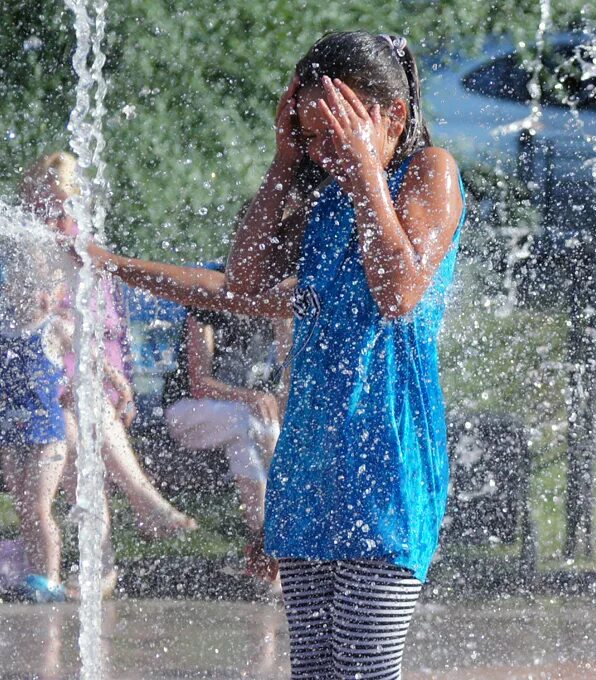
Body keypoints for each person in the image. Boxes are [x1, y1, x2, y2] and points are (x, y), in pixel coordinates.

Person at [92, 31, 466, 679]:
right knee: (315, 670)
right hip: (308, 462)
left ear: (393, 117)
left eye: (334, 135)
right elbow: (244, 284)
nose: (325, 153)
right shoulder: (319, 196)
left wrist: (365, 175)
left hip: (389, 462)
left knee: (364, 670)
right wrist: (282, 162)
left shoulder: (430, 172)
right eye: (310, 136)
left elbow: (399, 293)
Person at [20, 152, 197, 543]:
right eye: (48, 204)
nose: (57, 216)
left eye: (65, 204)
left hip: (91, 380)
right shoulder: (25, 249)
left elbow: (110, 332)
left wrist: (120, 382)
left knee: (83, 412)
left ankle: (103, 561)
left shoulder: (87, 250)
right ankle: (144, 503)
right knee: (72, 418)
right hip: (39, 384)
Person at [161, 264, 284, 544]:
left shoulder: (274, 295)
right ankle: (277, 538)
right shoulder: (211, 294)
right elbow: (199, 383)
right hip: (187, 411)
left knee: (249, 439)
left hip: (239, 421)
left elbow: (286, 378)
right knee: (249, 423)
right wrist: (251, 397)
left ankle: (262, 540)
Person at [0, 230, 72, 602]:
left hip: (48, 435)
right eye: (17, 287)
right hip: (10, 434)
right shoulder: (3, 331)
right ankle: (33, 574)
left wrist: (114, 384)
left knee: (41, 507)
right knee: (23, 508)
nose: (29, 296)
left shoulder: (54, 329)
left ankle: (52, 579)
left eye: (37, 288)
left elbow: (89, 353)